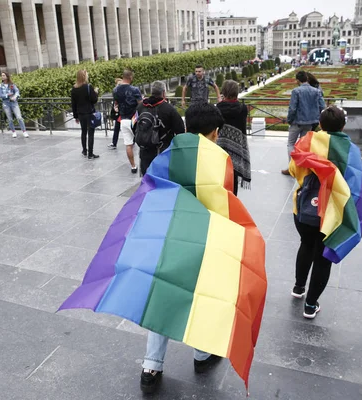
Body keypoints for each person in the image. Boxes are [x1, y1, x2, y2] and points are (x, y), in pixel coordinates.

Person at [140, 102, 226, 394]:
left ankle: (151, 366)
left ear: (187, 126)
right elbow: (224, 208)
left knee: (163, 296)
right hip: (203, 241)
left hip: (168, 239)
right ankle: (202, 355)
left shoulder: (166, 156)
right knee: (202, 297)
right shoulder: (219, 162)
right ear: (214, 133)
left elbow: (149, 195)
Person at [289, 106, 362, 318]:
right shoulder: (350, 149)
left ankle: (298, 288)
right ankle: (310, 305)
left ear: (321, 124)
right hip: (332, 215)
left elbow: (293, 169)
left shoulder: (307, 140)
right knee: (323, 258)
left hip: (304, 209)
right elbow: (353, 186)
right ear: (343, 126)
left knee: (305, 245)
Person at [135, 81, 185, 176]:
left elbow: (134, 126)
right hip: (162, 152)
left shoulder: (140, 107)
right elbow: (180, 131)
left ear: (151, 91)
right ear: (163, 93)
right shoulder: (169, 109)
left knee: (147, 180)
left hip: (144, 151)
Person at [281, 70, 326, 175]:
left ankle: (292, 168)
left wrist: (289, 120)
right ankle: (302, 168)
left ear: (297, 80)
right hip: (310, 123)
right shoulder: (316, 91)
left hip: (297, 122)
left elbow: (292, 108)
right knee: (303, 146)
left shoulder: (296, 91)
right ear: (307, 79)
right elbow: (322, 107)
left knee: (291, 144)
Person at [216, 80, 251, 195]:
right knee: (234, 176)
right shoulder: (243, 108)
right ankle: (233, 198)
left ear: (224, 92)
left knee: (220, 175)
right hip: (237, 147)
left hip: (221, 147)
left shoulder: (218, 108)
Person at [113, 69, 143, 173]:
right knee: (142, 143)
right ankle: (143, 164)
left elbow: (116, 104)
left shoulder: (115, 90)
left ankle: (133, 166)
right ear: (130, 77)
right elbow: (140, 104)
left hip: (123, 119)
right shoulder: (134, 89)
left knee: (128, 144)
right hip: (134, 119)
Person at [71, 70, 100, 160]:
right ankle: (90, 154)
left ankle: (84, 150)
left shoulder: (74, 89)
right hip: (89, 113)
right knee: (90, 133)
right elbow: (94, 100)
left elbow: (73, 104)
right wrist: (95, 92)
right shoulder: (88, 87)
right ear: (84, 77)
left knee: (83, 132)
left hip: (80, 114)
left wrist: (75, 116)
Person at [0, 72, 28, 138]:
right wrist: (7, 95)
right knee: (10, 119)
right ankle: (13, 132)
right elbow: (0, 95)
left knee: (19, 117)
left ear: (7, 76)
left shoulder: (12, 84)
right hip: (6, 103)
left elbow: (17, 91)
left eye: (4, 75)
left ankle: (24, 131)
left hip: (14, 102)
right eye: (2, 75)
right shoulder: (1, 85)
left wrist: (15, 96)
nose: (2, 77)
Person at [108, 78, 123, 150]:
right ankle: (114, 143)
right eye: (118, 84)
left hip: (125, 113)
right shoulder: (116, 93)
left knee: (131, 128)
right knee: (117, 128)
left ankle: (133, 140)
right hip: (119, 113)